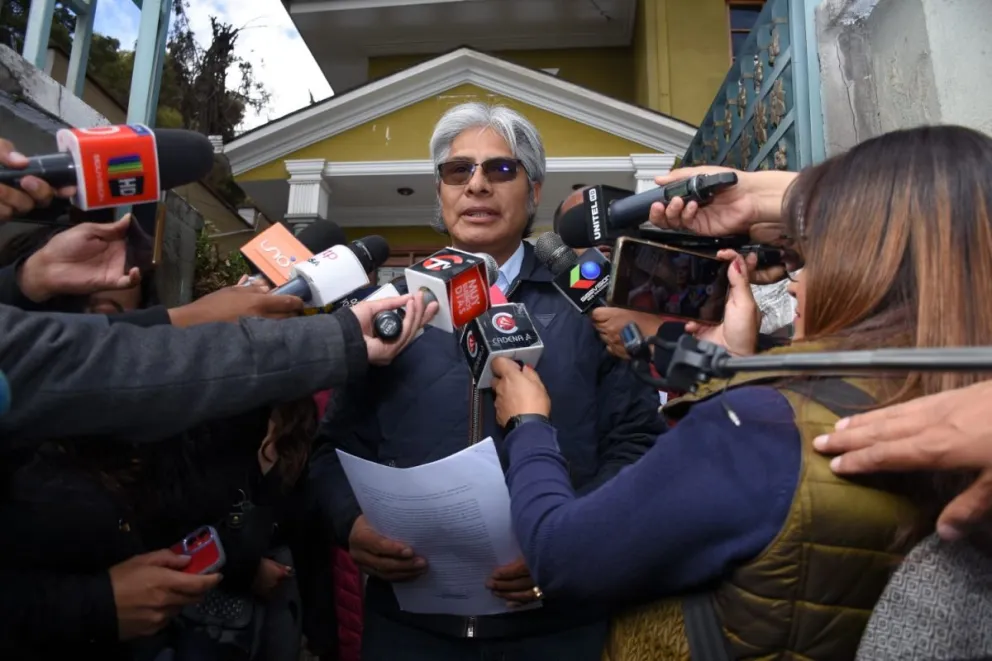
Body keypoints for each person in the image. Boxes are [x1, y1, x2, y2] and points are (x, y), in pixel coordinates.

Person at [489, 126, 992, 660]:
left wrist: (529, 425)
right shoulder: (968, 413)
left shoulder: (759, 430)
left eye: (808, 257)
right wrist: (729, 371)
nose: (794, 282)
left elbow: (563, 556)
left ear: (873, 267)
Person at [309, 102, 664, 661]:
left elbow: (638, 445)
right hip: (408, 630)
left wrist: (568, 542)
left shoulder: (591, 305)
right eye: (458, 171)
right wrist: (349, 525)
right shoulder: (385, 311)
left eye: (500, 169)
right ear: (442, 191)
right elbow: (331, 450)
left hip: (556, 629)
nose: (476, 184)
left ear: (535, 190)